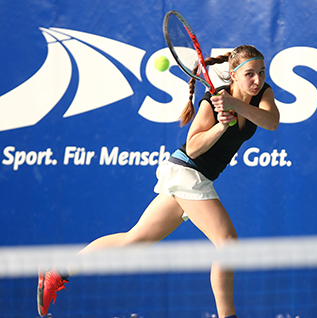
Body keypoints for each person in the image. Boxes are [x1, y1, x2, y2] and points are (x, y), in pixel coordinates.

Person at [37, 45, 280, 318]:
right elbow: (194, 146)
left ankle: (59, 269)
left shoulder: (262, 93)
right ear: (233, 75)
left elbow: (272, 122)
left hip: (197, 178)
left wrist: (236, 106)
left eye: (261, 72)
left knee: (134, 241)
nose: (257, 79)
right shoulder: (212, 101)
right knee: (227, 244)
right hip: (186, 171)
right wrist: (220, 126)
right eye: (249, 74)